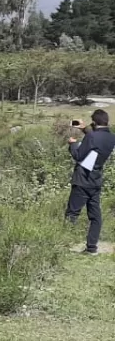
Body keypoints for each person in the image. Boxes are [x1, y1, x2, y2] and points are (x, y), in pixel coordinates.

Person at [67, 109, 115, 255]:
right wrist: (85, 129)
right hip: (96, 180)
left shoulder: (92, 136)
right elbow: (97, 142)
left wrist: (72, 144)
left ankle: (62, 244)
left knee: (72, 214)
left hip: (82, 179)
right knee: (95, 216)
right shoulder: (111, 138)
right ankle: (92, 247)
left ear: (94, 122)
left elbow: (78, 156)